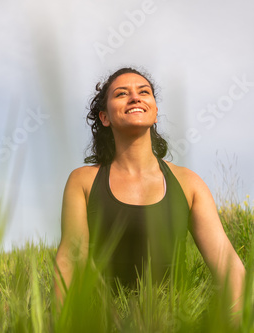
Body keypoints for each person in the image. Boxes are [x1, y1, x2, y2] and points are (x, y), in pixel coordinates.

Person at [54, 68, 245, 313]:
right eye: (121, 94)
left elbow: (226, 264)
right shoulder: (83, 181)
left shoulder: (188, 182)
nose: (135, 98)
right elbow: (70, 259)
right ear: (104, 117)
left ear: (155, 113)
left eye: (144, 92)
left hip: (174, 318)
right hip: (102, 319)